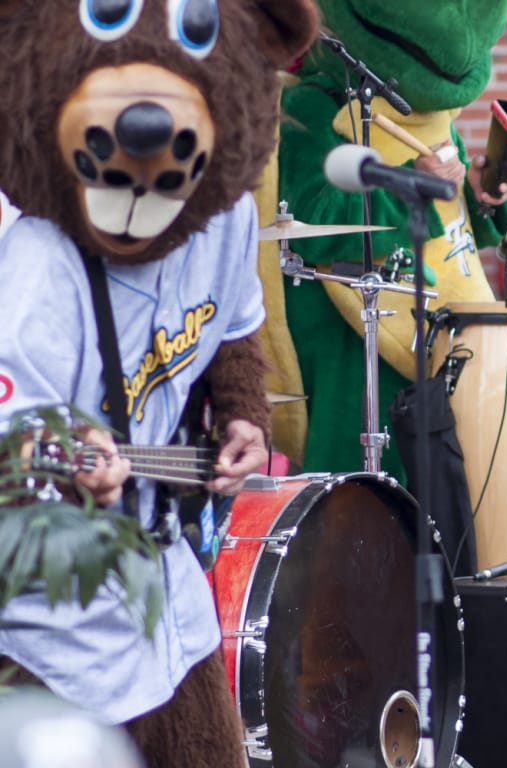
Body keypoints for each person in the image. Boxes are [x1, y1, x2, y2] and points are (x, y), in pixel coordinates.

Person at [0, 0, 317, 765]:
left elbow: (233, 324)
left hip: (170, 605)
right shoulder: (37, 268)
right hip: (48, 644)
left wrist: (242, 415)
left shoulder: (227, 216)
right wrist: (61, 462)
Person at [264, 0, 507, 482]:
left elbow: (455, 219)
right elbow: (308, 220)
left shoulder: (424, 114)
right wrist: (412, 184)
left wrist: (482, 194)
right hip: (350, 333)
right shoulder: (311, 106)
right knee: (363, 506)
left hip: (435, 327)